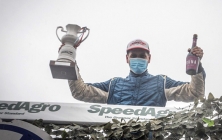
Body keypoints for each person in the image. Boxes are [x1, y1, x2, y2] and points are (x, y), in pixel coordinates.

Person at [68, 39, 205, 107]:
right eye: (133, 55)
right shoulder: (114, 84)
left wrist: (196, 67)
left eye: (142, 55)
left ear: (149, 59)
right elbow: (81, 92)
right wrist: (70, 61)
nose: (137, 58)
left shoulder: (161, 82)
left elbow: (194, 93)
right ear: (127, 58)